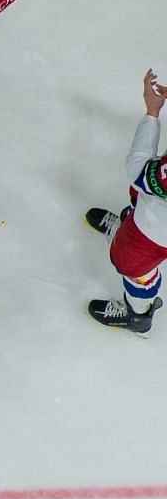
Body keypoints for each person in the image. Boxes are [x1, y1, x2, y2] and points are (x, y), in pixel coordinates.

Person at [82, 69, 167, 335]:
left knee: (130, 263)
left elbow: (139, 171)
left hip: (156, 229)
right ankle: (126, 225)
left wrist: (152, 114)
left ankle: (138, 314)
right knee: (139, 196)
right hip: (153, 205)